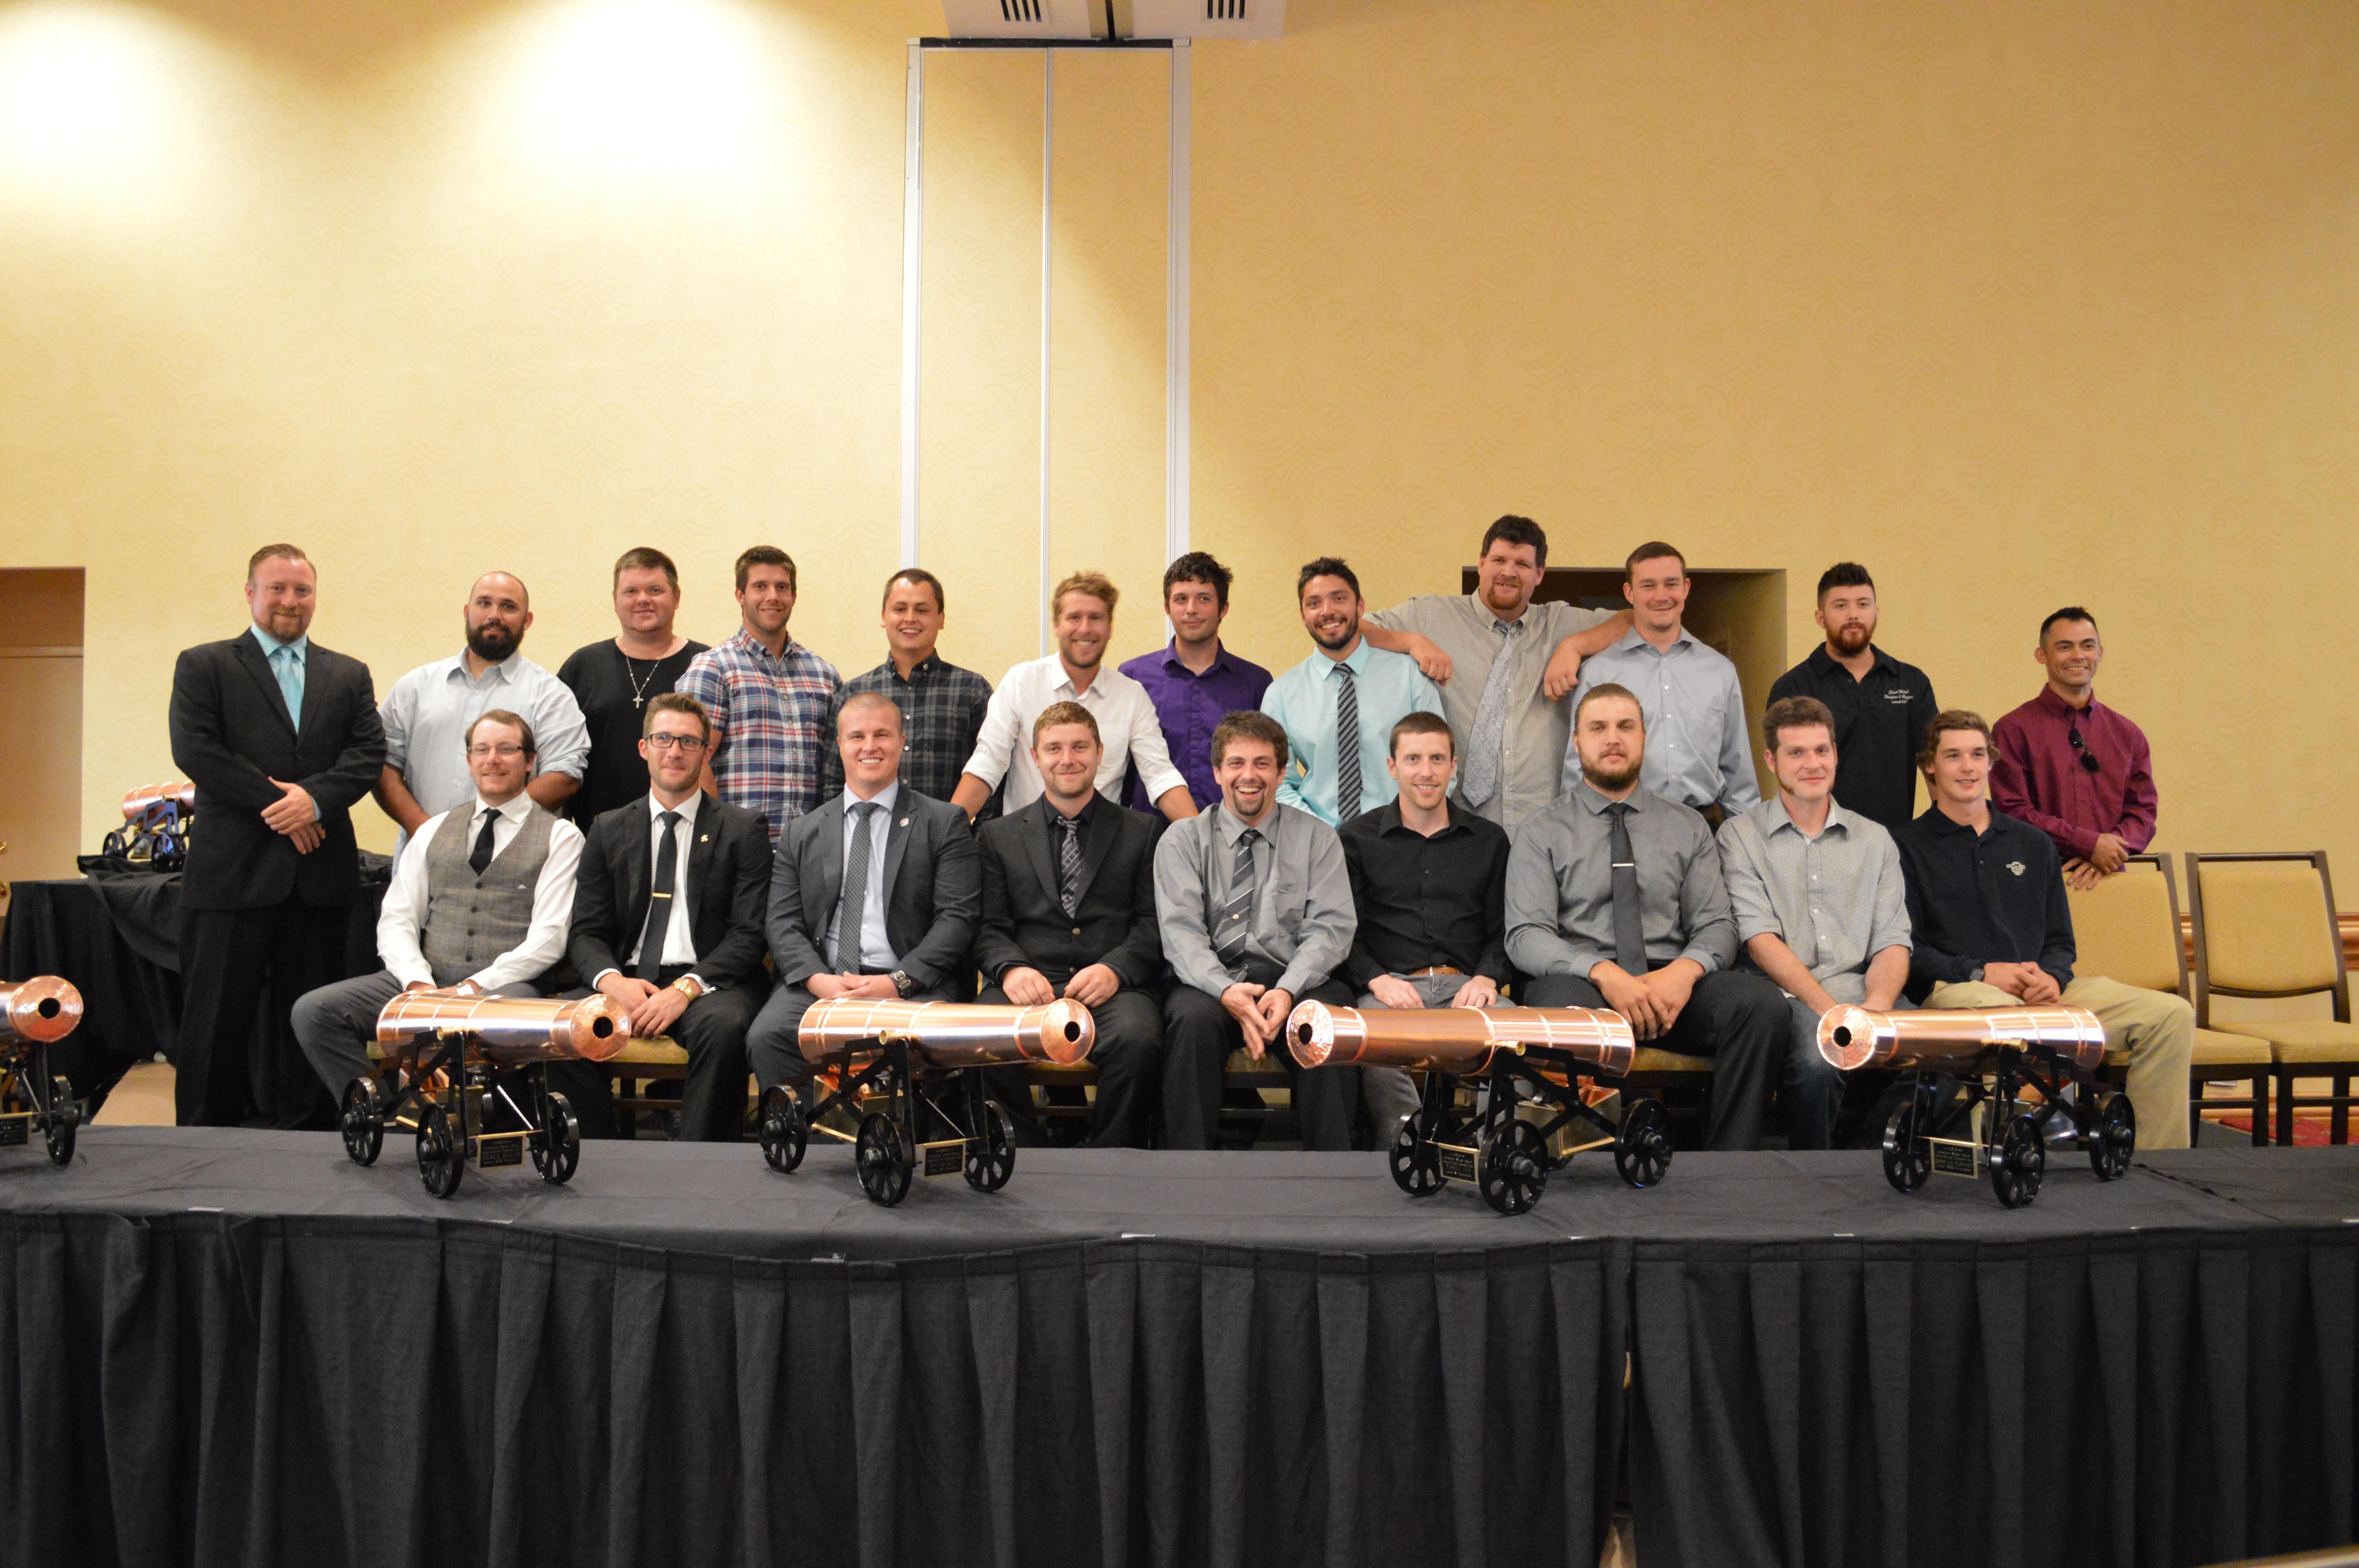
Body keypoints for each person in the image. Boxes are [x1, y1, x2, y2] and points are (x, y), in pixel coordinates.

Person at [1894, 710, 2194, 1149]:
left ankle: (2158, 1163)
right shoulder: (1904, 846)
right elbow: (1906, 950)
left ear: (1991, 763)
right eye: (1954, 756)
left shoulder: (2032, 843)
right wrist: (1980, 972)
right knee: (2007, 1021)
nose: (1968, 767)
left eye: (1977, 755)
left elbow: (2060, 941)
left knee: (2171, 1016)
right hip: (1959, 992)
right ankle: (2008, 1152)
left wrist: (2053, 977)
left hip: (2043, 992)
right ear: (1929, 766)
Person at [1509, 684, 1789, 1150]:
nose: (1613, 739)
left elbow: (1718, 924)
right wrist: (1602, 972)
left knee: (1760, 1005)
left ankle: (1729, 1165)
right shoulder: (1541, 831)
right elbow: (1525, 936)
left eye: (1626, 727)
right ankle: (1588, 1160)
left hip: (1672, 990)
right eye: (1598, 728)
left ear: (1644, 737)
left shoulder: (1687, 825)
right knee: (1561, 1007)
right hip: (1586, 985)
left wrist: (1685, 971)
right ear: (1576, 743)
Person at [168, 544, 386, 1127]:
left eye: (302, 590)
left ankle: (310, 1134)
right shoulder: (204, 664)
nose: (291, 601)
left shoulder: (348, 673)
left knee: (311, 1017)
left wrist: (315, 801)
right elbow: (196, 750)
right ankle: (205, 1136)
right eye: (278, 589)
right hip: (231, 876)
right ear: (250, 593)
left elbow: (367, 756)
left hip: (318, 880)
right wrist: (287, 806)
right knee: (215, 1020)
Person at [289, 711, 582, 1107]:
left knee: (485, 1023)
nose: (492, 759)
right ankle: (380, 1117)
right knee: (315, 1012)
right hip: (424, 980)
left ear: (530, 761)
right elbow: (397, 919)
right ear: (469, 760)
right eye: (481, 749)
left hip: (504, 990)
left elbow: (550, 938)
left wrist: (469, 990)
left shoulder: (561, 836)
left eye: (506, 749)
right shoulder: (432, 830)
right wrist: (418, 985)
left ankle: (470, 1121)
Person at [548, 693, 772, 1142]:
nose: (675, 751)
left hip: (710, 984)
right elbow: (587, 930)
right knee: (561, 1026)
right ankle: (597, 1161)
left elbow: (749, 934)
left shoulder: (743, 829)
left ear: (707, 752)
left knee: (723, 1029)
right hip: (627, 978)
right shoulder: (607, 828)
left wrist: (685, 990)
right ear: (643, 747)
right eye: (664, 738)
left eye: (689, 742)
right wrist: (614, 984)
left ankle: (699, 1167)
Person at [745, 693, 980, 1095]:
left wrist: (898, 982)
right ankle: (816, 1151)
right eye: (857, 736)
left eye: (882, 735)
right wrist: (820, 981)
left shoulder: (944, 822)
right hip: (823, 984)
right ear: (840, 745)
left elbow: (956, 919)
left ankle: (896, 1148)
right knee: (768, 1036)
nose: (869, 747)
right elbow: (782, 923)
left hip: (910, 986)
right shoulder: (802, 831)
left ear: (902, 741)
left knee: (924, 1046)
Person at [1154, 711, 1360, 1151]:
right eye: (1236, 763)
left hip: (1297, 983)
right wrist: (1226, 991)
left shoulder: (1318, 839)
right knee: (1190, 1022)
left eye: (1263, 763)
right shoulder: (1182, 840)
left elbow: (1330, 930)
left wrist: (1286, 991)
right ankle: (1185, 1177)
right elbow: (1182, 933)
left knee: (1323, 1023)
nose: (1249, 776)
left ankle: (1334, 1179)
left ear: (1281, 772)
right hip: (1209, 985)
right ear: (1216, 772)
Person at [1714, 696, 1913, 1150]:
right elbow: (1760, 939)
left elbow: (1892, 939)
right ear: (1771, 760)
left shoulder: (1874, 838)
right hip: (1791, 998)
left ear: (1835, 754)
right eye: (1796, 753)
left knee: (1941, 1062)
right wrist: (1831, 1011)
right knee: (1818, 1064)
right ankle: (1815, 1173)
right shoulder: (1739, 836)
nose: (1812, 764)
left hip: (1866, 991)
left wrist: (1877, 1009)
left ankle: (1860, 1156)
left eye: (1821, 750)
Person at [973, 703, 1166, 1147]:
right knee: (981, 1037)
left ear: (1100, 753)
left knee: (1140, 1041)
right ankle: (1024, 1154)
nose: (1068, 759)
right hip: (1026, 983)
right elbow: (987, 927)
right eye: (1054, 748)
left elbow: (1153, 923)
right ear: (1034, 757)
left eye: (1080, 747)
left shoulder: (1143, 832)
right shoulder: (997, 836)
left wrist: (1116, 969)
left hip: (1113, 987)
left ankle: (1110, 1159)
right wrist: (1010, 969)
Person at [1362, 515, 1630, 835]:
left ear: (1540, 574)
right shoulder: (1431, 616)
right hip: (1455, 828)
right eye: (1499, 560)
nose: (1508, 572)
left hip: (1543, 826)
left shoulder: (1560, 623)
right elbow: (1355, 628)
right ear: (1481, 564)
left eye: (1522, 564)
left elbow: (1632, 620)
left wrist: (1574, 646)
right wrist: (1411, 641)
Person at [1339, 711, 1513, 1138]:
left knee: (1520, 1044)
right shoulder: (1356, 840)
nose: (1426, 772)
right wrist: (1376, 981)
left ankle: (1491, 1154)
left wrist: (1488, 977)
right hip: (1391, 990)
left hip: (1468, 989)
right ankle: (1409, 1152)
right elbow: (1344, 932)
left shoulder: (1489, 840)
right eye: (1413, 759)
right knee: (1375, 1044)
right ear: (1393, 767)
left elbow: (1505, 929)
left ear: (1454, 768)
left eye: (1437, 759)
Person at [954, 572, 1196, 825]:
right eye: (1074, 618)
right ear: (1057, 625)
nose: (1085, 628)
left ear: (1110, 627)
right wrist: (944, 835)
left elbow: (1160, 775)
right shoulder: (1020, 683)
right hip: (1024, 847)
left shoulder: (1131, 696)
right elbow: (988, 764)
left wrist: (1201, 839)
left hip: (1103, 850)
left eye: (1096, 618)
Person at [375, 572, 591, 850]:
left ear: (528, 621)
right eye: (484, 603)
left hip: (516, 859)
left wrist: (491, 829)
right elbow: (384, 766)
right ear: (467, 612)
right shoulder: (415, 687)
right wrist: (425, 831)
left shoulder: (552, 694)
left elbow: (564, 776)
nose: (495, 615)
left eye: (509, 607)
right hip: (420, 854)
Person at [1561, 542, 1759, 825]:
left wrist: (1746, 845)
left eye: (1671, 584)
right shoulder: (1598, 672)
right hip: (1621, 826)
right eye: (1648, 586)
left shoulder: (1720, 671)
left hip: (1704, 827)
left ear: (1686, 588)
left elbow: (1738, 770)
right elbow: (1577, 768)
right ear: (1630, 593)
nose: (1661, 596)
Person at [1259, 557, 1443, 827]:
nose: (1327, 611)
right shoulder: (1281, 694)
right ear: (1303, 616)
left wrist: (1415, 829)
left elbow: (1440, 765)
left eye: (1339, 598)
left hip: (1402, 838)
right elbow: (1278, 782)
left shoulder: (1409, 677)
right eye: (1314, 603)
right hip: (1318, 845)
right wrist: (1319, 835)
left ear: (1360, 606)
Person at [675, 546, 841, 845]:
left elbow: (836, 767)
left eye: (782, 587)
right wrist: (719, 835)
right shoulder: (713, 668)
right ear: (740, 595)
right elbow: (692, 761)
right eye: (760, 587)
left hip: (810, 848)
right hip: (738, 848)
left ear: (794, 596)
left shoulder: (824, 675)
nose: (773, 597)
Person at [1763, 562, 1939, 833]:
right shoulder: (1794, 687)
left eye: (1863, 604)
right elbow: (1786, 771)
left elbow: (1933, 764)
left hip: (1894, 841)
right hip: (1818, 839)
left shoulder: (1911, 683)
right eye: (1841, 606)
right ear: (1820, 617)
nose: (1853, 615)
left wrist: (1940, 834)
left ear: (1877, 613)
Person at [1991, 607, 2158, 892]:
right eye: (2064, 647)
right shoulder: (2013, 729)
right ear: (2041, 655)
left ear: (2101, 653)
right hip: (2036, 882)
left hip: (2112, 881)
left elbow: (2143, 811)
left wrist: (2107, 851)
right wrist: (2089, 845)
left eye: (2088, 646)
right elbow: (2013, 812)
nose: (2078, 656)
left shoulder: (2127, 734)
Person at [556, 547, 710, 828]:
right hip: (596, 836)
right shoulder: (582, 666)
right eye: (630, 592)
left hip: (688, 834)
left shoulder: (706, 666)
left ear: (676, 598)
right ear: (615, 601)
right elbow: (559, 757)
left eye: (655, 590)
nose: (643, 600)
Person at [820, 568, 993, 808]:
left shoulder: (972, 691)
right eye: (900, 609)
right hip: (867, 839)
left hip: (946, 841)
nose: (910, 618)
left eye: (922, 610)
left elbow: (992, 775)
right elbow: (833, 782)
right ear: (884, 616)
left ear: (941, 619)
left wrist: (970, 840)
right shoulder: (854, 694)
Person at [1119, 552, 1274, 812]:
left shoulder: (1256, 682)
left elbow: (1267, 767)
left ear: (1223, 609)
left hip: (1234, 835)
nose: (1191, 610)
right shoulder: (1134, 677)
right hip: (1150, 839)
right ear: (1168, 608)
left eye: (1204, 599)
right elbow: (1121, 767)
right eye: (1181, 599)